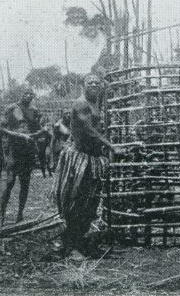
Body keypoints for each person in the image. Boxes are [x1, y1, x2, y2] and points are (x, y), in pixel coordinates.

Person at [55, 73, 120, 258]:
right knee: (76, 201)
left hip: (93, 159)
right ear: (83, 85)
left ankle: (80, 241)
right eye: (89, 82)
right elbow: (89, 130)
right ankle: (72, 244)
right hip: (79, 159)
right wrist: (111, 146)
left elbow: (106, 88)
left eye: (96, 83)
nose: (93, 85)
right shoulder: (81, 103)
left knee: (90, 202)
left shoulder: (96, 101)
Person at [0, 88, 47, 225]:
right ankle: (1, 214)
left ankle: (20, 214)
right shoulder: (11, 108)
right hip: (14, 149)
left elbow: (42, 127)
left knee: (25, 184)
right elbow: (2, 128)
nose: (29, 96)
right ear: (21, 94)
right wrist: (19, 135)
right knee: (9, 182)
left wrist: (36, 134)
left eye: (31, 94)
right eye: (26, 93)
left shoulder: (34, 110)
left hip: (28, 150)